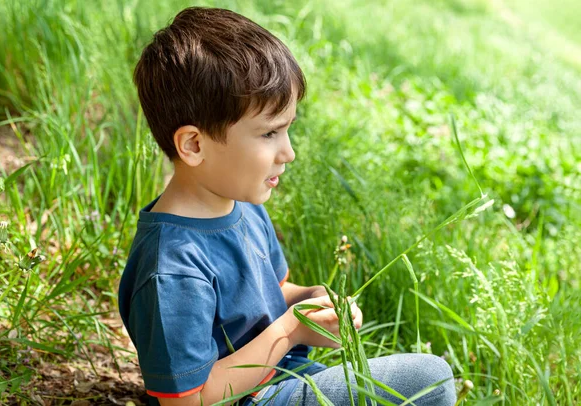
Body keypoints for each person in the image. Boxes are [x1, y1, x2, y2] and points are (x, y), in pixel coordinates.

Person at [118, 6, 456, 406]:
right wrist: (290, 332)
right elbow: (188, 399)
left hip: (292, 379)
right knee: (431, 379)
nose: (289, 152)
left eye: (288, 128)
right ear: (194, 145)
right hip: (255, 398)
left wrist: (312, 300)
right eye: (269, 133)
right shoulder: (172, 266)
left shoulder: (240, 206)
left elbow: (274, 295)